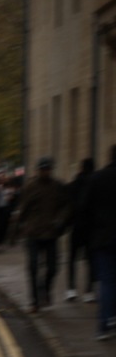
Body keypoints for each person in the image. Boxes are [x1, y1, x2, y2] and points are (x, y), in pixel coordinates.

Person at [13, 156, 70, 312]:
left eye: (47, 169)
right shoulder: (31, 187)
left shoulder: (58, 186)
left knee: (53, 268)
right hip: (33, 233)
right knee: (32, 267)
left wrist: (60, 220)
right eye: (43, 169)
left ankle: (44, 289)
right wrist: (17, 231)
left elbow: (65, 206)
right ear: (38, 170)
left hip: (51, 233)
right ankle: (34, 301)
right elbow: (22, 209)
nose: (45, 172)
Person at [80, 145, 116, 340]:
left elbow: (85, 209)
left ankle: (104, 325)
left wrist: (87, 236)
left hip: (102, 238)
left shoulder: (98, 178)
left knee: (107, 281)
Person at [65, 158, 96, 301]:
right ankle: (89, 291)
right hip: (91, 227)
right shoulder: (95, 183)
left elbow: (67, 205)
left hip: (76, 226)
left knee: (72, 259)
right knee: (90, 260)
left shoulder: (74, 184)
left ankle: (71, 289)